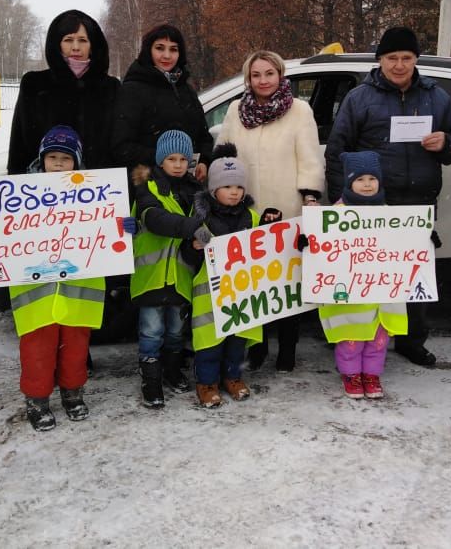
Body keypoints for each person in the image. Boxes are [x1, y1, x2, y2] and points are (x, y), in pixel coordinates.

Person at [325, 26, 451, 368]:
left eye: (406, 58)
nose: (399, 65)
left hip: (418, 204)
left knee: (414, 276)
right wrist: (342, 203)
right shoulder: (360, 98)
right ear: (380, 60)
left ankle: (412, 341)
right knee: (367, 275)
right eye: (392, 58)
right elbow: (337, 151)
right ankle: (356, 336)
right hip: (372, 205)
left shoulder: (437, 97)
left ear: (416, 60)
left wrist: (446, 143)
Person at [0, 126, 125, 431]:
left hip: (78, 290)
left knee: (75, 347)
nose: (57, 163)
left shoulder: (95, 195)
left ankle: (73, 393)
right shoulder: (20, 194)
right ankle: (37, 399)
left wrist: (124, 225)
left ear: (76, 162)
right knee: (37, 348)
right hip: (37, 292)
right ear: (41, 159)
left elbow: (109, 229)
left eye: (65, 158)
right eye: (51, 157)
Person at [216, 50, 324, 372]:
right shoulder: (237, 110)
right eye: (256, 75)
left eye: (269, 73)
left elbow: (310, 158)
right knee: (253, 282)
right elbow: (224, 152)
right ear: (248, 79)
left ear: (280, 75)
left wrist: (310, 196)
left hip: (286, 207)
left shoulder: (299, 111)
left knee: (286, 284)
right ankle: (257, 347)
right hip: (245, 210)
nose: (263, 81)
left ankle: (287, 349)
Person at [319, 151, 407, 399]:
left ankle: (372, 373)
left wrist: (424, 239)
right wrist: (310, 242)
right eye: (359, 179)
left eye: (372, 178)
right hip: (351, 293)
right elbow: (324, 245)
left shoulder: (389, 212)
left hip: (380, 291)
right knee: (352, 336)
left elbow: (403, 242)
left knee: (378, 337)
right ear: (348, 183)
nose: (367, 184)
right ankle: (350, 374)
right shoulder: (336, 214)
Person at [183, 144, 263, 408]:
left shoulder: (251, 217)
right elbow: (187, 258)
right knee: (209, 343)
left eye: (239, 187)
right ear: (214, 189)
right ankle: (206, 383)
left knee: (237, 341)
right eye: (228, 187)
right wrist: (194, 248)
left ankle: (233, 377)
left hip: (240, 293)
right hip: (209, 295)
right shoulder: (200, 219)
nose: (234, 192)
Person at [129, 129, 203, 408]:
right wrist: (195, 228)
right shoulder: (147, 187)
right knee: (151, 330)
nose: (178, 164)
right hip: (151, 276)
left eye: (183, 158)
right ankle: (151, 378)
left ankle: (172, 369)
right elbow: (155, 220)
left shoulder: (197, 193)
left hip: (181, 275)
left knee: (175, 330)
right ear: (160, 161)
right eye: (171, 158)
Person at [7, 9, 120, 174]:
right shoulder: (35, 84)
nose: (75, 47)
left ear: (93, 45)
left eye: (83, 40)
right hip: (46, 189)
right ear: (57, 44)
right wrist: (16, 179)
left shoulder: (111, 87)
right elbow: (20, 144)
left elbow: (119, 142)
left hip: (99, 187)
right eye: (68, 40)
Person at [112, 23, 214, 182]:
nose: (167, 56)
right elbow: (121, 146)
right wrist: (164, 158)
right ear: (148, 51)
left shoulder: (186, 90)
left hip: (188, 186)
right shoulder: (133, 89)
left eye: (173, 49)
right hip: (150, 186)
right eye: (160, 48)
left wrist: (204, 161)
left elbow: (203, 135)